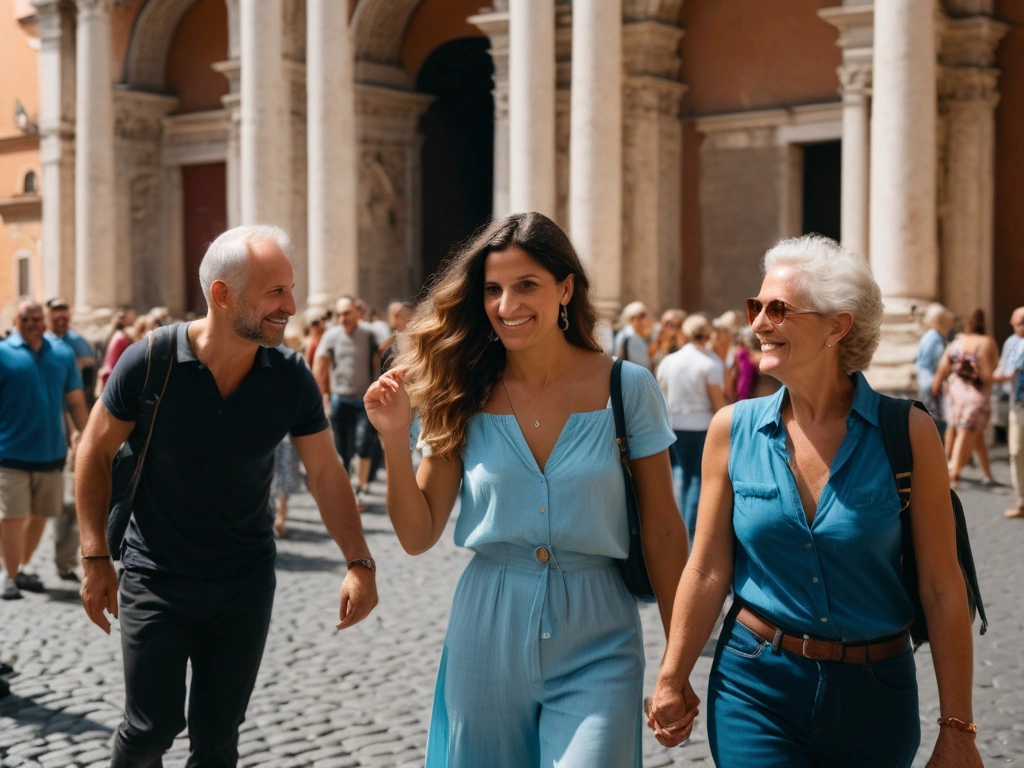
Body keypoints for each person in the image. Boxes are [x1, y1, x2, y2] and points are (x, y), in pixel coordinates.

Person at [364, 212, 692, 767]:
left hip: (600, 631)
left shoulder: (627, 388)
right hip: (486, 627)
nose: (507, 305)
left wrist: (676, 665)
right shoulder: (460, 392)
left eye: (527, 286)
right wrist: (395, 439)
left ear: (566, 288)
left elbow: (662, 528)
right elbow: (418, 535)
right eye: (493, 289)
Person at [648, 235, 981, 767]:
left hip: (876, 692)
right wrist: (671, 676)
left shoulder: (910, 432)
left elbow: (942, 586)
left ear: (836, 326)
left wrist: (958, 729)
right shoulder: (731, 430)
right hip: (754, 683)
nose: (757, 323)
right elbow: (708, 568)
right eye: (756, 307)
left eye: (777, 309)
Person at [74, 225, 377, 767]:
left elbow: (327, 472)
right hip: (156, 576)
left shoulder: (290, 377)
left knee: (218, 741)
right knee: (150, 727)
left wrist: (359, 560)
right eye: (275, 292)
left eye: (290, 288)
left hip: (244, 580)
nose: (292, 305)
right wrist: (96, 556)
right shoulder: (149, 360)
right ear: (223, 294)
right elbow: (93, 453)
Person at [0, 301, 89, 600]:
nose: (32, 322)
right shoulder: (2, 353)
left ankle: (22, 566)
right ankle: (8, 576)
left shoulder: (61, 354)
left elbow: (75, 401)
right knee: (11, 516)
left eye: (37, 318)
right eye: (26, 318)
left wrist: (87, 436)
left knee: (40, 515)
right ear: (16, 320)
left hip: (51, 453)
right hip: (9, 453)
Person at [655, 313, 726, 541]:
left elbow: (660, 392)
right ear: (706, 334)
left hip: (673, 424)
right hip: (701, 425)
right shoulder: (709, 362)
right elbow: (717, 401)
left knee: (678, 474)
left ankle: (676, 529)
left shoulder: (669, 360)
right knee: (696, 476)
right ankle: (689, 530)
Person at [44, 298, 97, 583]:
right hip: (50, 426)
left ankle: (65, 561)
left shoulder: (80, 342)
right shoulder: (39, 345)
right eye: (56, 316)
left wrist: (85, 430)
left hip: (76, 424)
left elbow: (89, 387)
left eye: (65, 315)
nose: (62, 320)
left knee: (72, 498)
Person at [313, 296, 381, 508]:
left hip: (364, 401)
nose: (343, 318)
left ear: (357, 314)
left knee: (362, 446)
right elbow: (320, 367)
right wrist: (323, 397)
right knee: (343, 449)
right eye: (340, 314)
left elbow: (379, 361)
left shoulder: (369, 334)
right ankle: (347, 489)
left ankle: (360, 490)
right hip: (339, 399)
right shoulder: (331, 336)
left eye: (347, 313)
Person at [932, 309, 999, 488]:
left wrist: (935, 389)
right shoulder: (986, 342)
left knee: (975, 436)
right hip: (975, 397)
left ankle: (988, 474)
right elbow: (986, 374)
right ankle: (952, 475)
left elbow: (941, 369)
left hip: (955, 396)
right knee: (966, 433)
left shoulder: (957, 342)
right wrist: (1004, 377)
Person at [993, 306, 1024, 519]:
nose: (1015, 325)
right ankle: (1021, 501)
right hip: (1017, 405)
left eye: (1019, 322)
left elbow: (1009, 372)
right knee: (1016, 452)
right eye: (1015, 321)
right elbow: (1003, 369)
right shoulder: (1010, 343)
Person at [916, 303, 956, 431]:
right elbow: (934, 364)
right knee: (934, 422)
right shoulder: (934, 338)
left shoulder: (934, 336)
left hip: (929, 383)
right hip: (931, 384)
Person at [614, 300, 653, 371]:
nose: (647, 320)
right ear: (636, 319)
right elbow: (643, 365)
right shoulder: (632, 337)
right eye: (644, 316)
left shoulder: (624, 333)